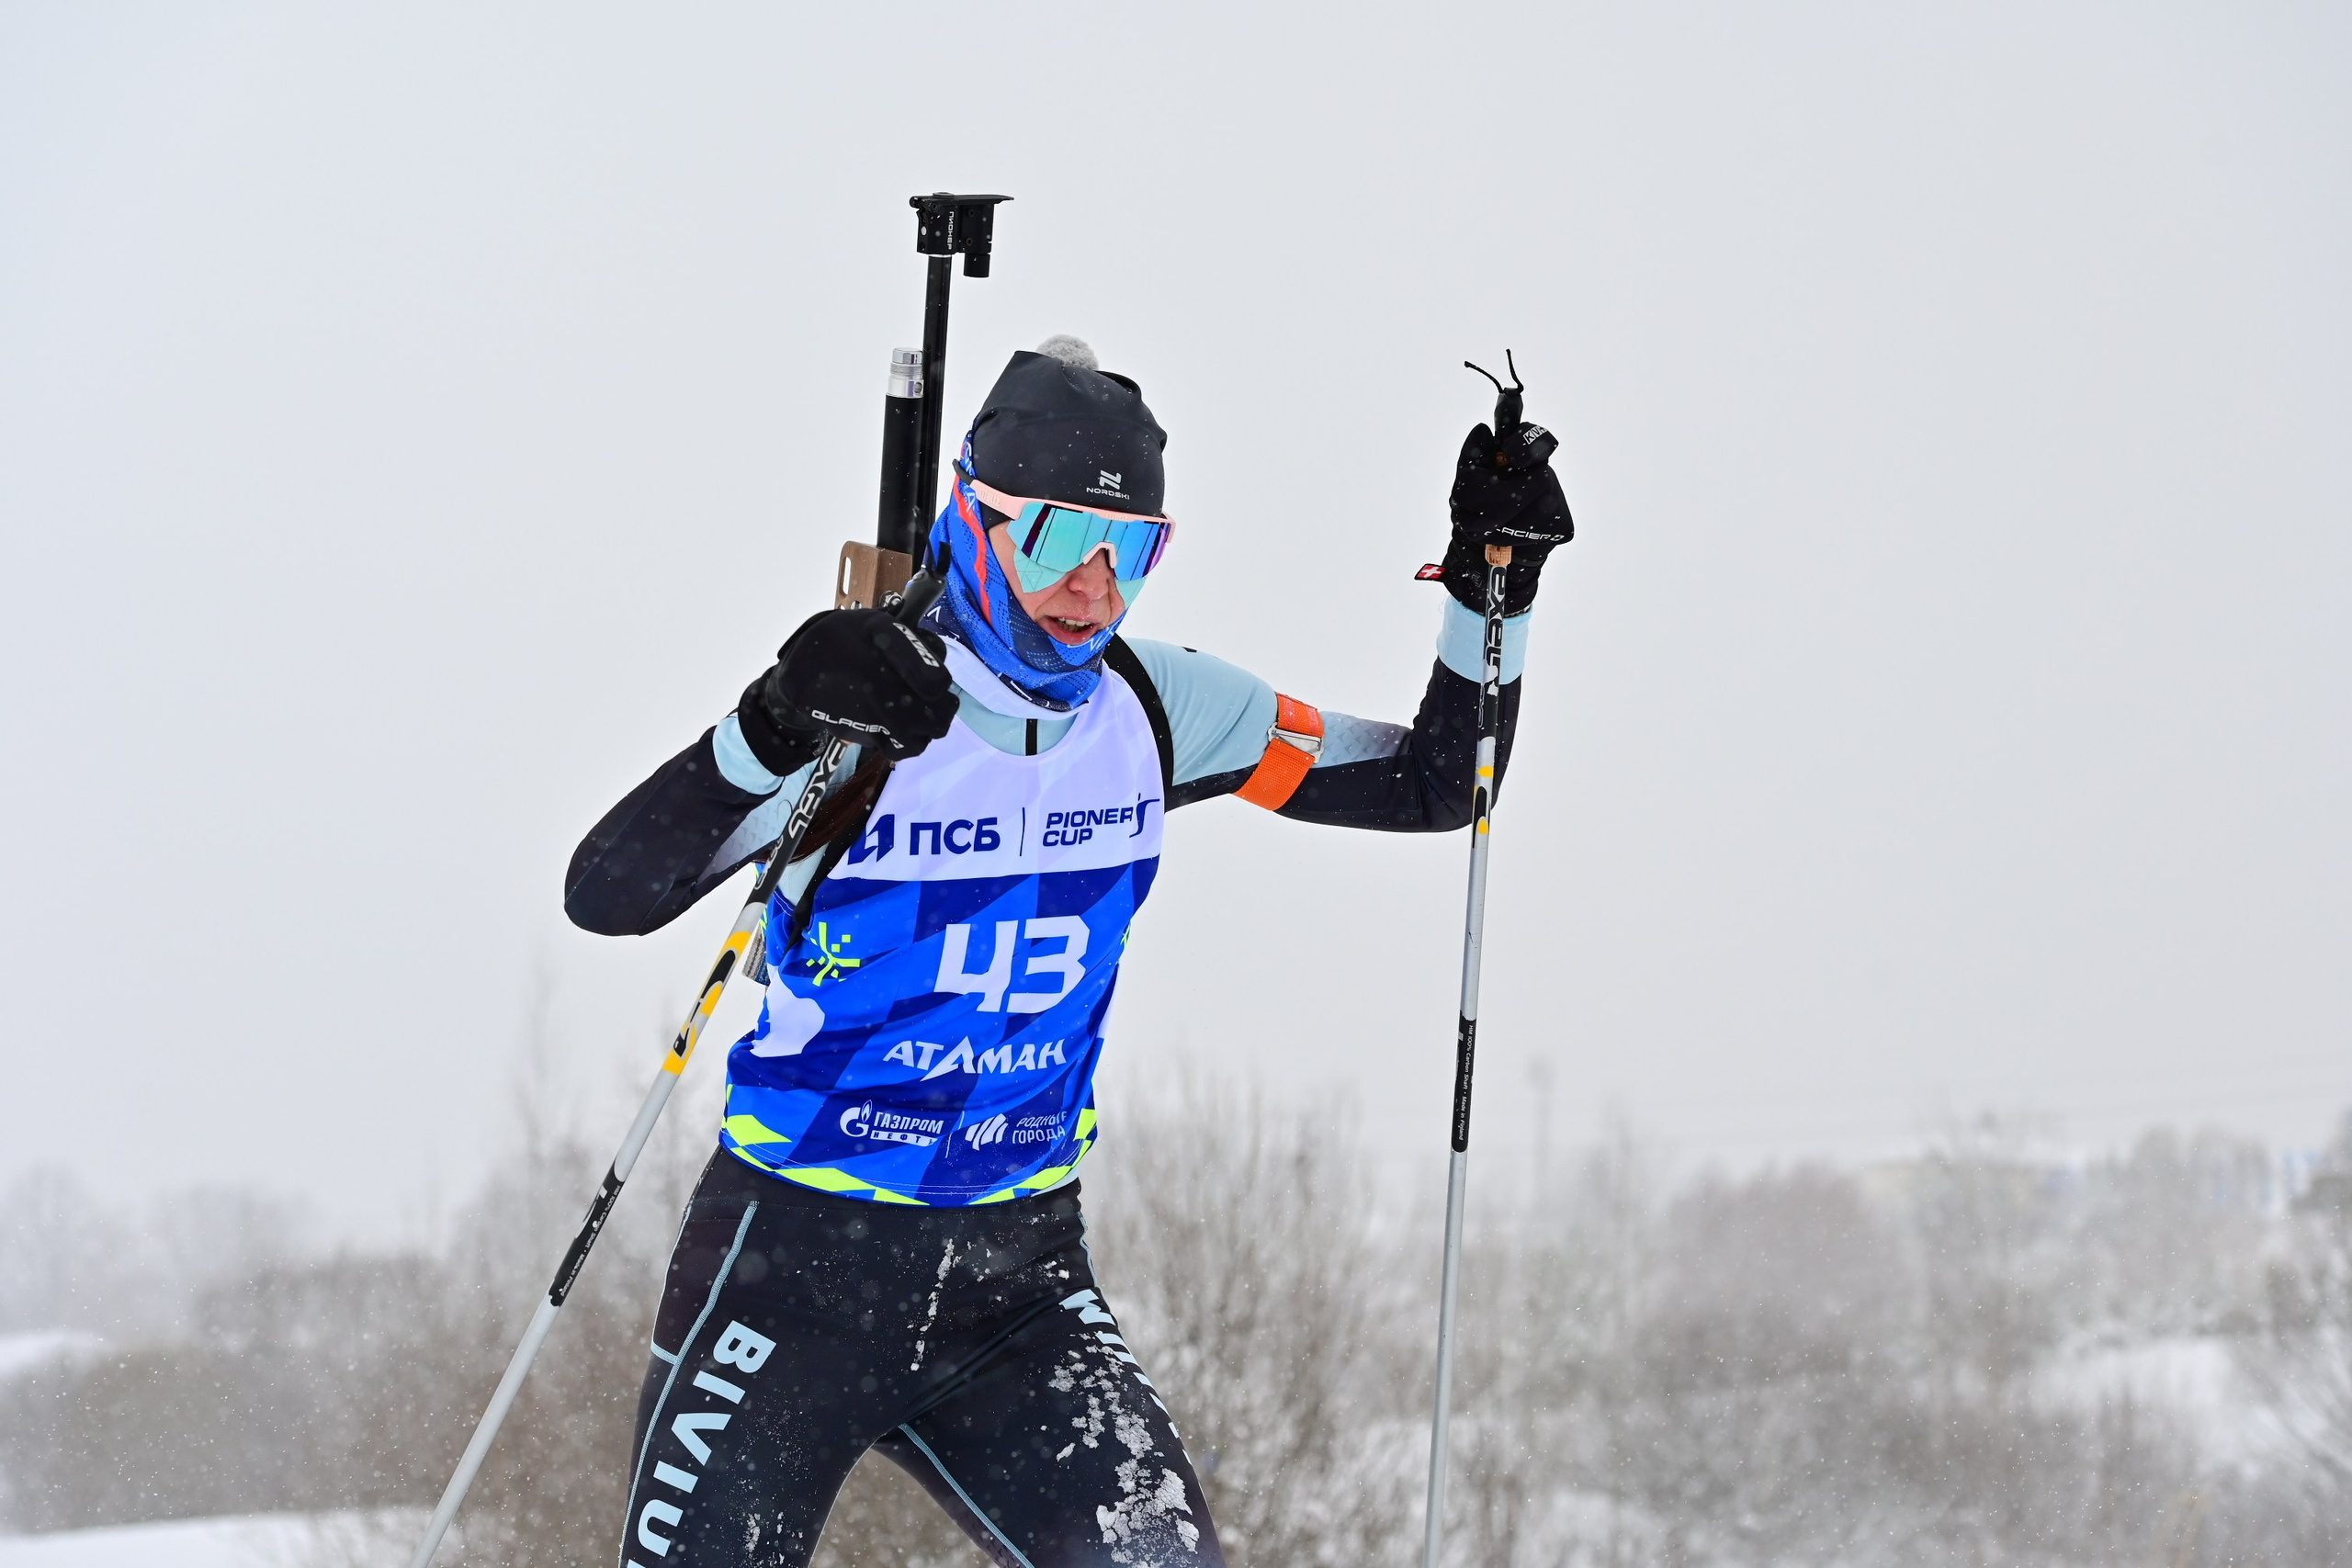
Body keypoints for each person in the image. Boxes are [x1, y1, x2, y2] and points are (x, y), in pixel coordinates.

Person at [566, 335, 1572, 1568]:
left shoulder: (1158, 709)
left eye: (1131, 549)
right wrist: (771, 726)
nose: (1092, 588)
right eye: (1053, 540)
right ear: (972, 516)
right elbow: (607, 894)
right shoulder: (866, 708)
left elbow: (1436, 784)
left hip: (1016, 1287)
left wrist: (1491, 592)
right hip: (793, 1272)